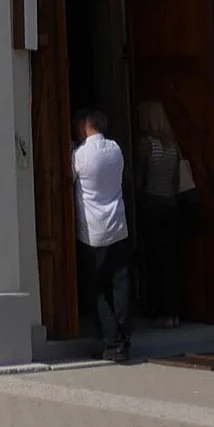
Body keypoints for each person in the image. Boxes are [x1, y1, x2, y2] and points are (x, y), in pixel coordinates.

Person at [70, 110, 133, 361]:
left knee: (96, 289)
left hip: (93, 231)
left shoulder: (81, 155)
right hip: (118, 225)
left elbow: (69, 175)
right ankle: (124, 336)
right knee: (120, 285)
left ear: (86, 126)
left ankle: (113, 342)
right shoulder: (116, 149)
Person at [133, 98, 196, 325]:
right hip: (171, 206)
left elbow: (141, 178)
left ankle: (159, 312)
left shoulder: (147, 144)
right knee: (170, 261)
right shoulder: (172, 145)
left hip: (152, 205)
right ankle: (174, 313)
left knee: (154, 260)